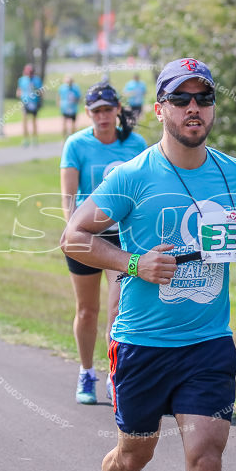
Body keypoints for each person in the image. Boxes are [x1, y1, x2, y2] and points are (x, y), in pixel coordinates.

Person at [61, 58, 236, 471]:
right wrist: (134, 264)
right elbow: (74, 237)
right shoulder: (131, 176)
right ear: (160, 110)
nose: (194, 108)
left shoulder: (235, 172)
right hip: (143, 343)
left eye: (203, 98)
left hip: (207, 342)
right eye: (181, 99)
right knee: (133, 456)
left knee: (205, 463)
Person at [60, 83, 147, 405]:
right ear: (88, 113)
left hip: (120, 238)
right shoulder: (76, 145)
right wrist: (71, 233)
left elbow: (143, 193)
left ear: (118, 109)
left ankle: (115, 373)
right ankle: (86, 371)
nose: (103, 117)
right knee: (87, 311)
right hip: (85, 236)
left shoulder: (135, 144)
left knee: (117, 310)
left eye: (108, 110)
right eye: (96, 111)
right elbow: (69, 198)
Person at [16, 64, 42, 146]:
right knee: (24, 120)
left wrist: (38, 97)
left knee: (34, 121)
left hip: (34, 102)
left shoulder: (37, 80)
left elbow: (41, 92)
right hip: (25, 102)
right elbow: (19, 90)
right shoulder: (21, 80)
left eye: (31, 72)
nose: (30, 74)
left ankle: (34, 138)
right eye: (28, 72)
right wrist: (20, 95)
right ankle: (25, 139)